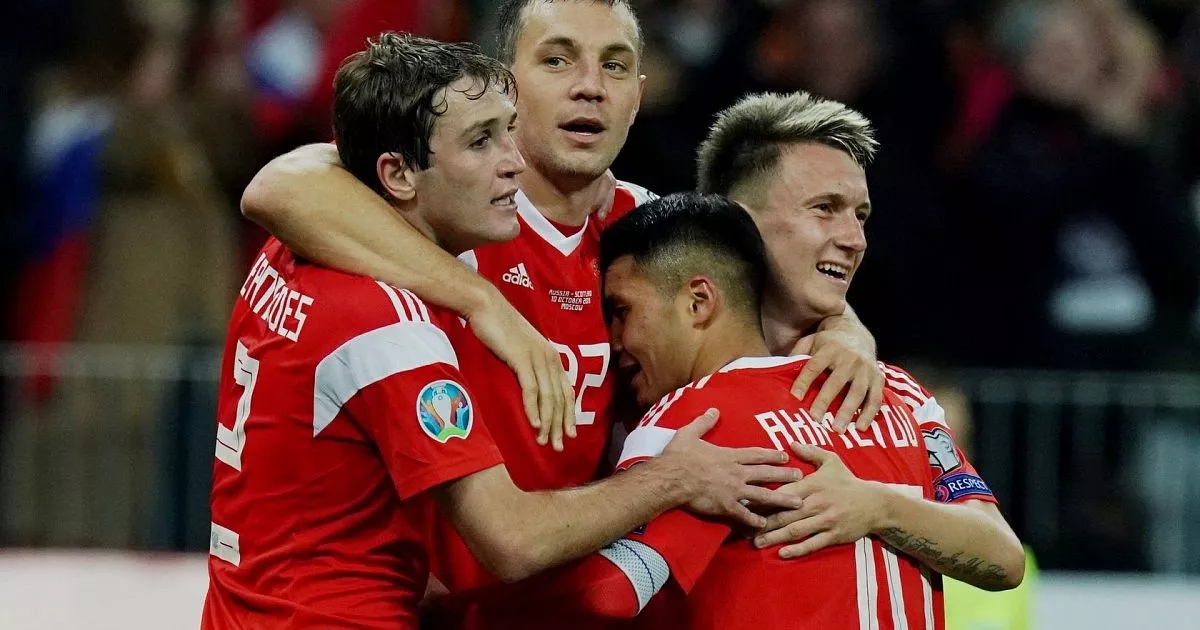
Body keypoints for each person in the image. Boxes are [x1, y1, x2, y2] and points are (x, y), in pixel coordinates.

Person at [237, 0, 883, 604]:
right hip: (435, 603)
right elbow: (280, 186)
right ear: (504, 85)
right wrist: (484, 302)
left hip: (575, 598)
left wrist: (844, 329)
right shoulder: (447, 202)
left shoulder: (651, 233)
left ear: (638, 96)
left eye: (615, 67)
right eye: (557, 60)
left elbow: (777, 289)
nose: (590, 87)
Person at [435, 192, 1002, 628]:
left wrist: (452, 610)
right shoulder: (898, 393)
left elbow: (612, 593)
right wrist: (883, 506)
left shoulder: (696, 420)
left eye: (622, 310)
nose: (614, 340)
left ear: (699, 301)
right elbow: (1002, 560)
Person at [695, 91, 1024, 590]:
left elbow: (1003, 557)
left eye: (861, 215)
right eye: (825, 209)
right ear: (736, 223)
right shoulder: (674, 383)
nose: (855, 239)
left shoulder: (895, 396)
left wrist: (877, 506)